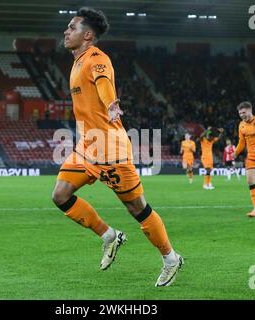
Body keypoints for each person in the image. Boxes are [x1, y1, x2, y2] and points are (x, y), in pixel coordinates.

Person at [51, 7, 183, 287]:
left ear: (87, 35)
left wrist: (112, 104)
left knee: (137, 209)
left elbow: (104, 83)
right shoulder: (76, 62)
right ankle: (109, 235)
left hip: (110, 148)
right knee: (61, 195)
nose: (66, 31)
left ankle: (171, 258)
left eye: (72, 27)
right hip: (88, 146)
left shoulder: (97, 58)